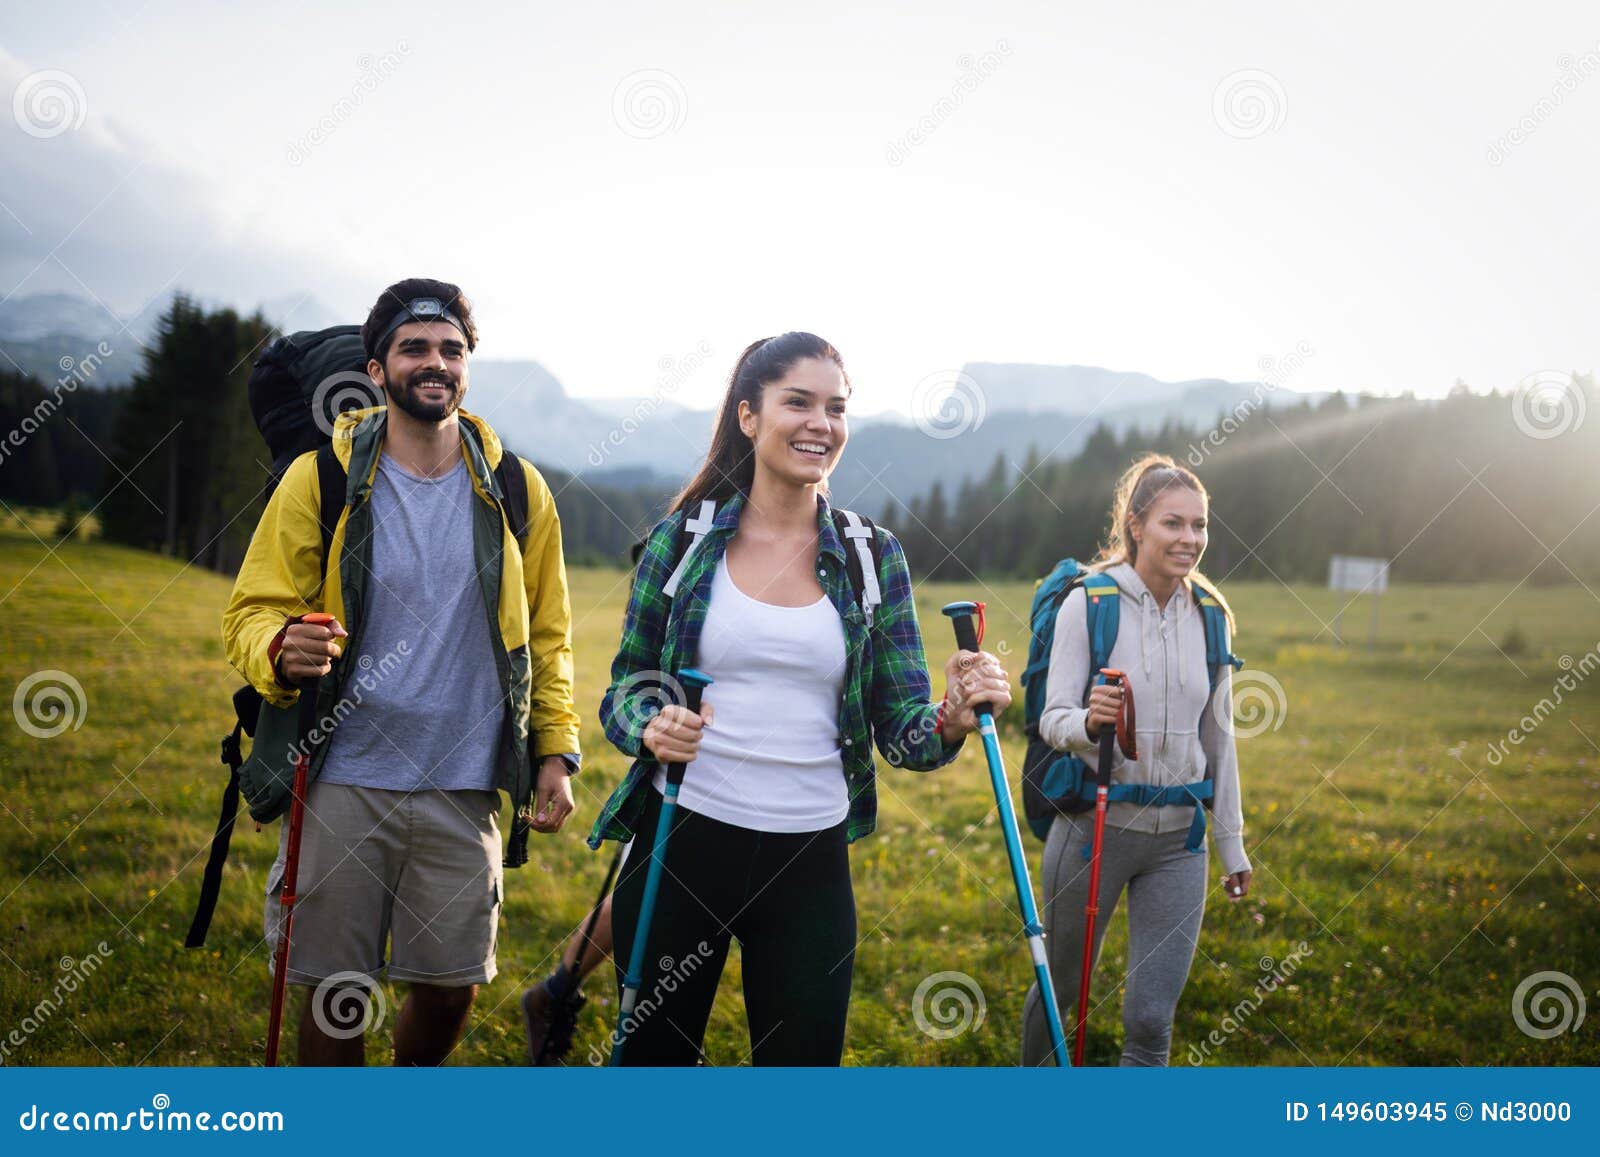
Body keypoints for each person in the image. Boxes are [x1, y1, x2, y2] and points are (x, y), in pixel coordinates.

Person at [587, 331, 1012, 1066]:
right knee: (652, 1062)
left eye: (836, 407)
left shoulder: (870, 555)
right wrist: (651, 723)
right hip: (683, 837)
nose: (821, 422)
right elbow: (625, 687)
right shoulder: (682, 541)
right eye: (799, 402)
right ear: (749, 417)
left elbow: (905, 731)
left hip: (809, 859)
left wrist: (950, 716)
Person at [223, 277, 582, 1065]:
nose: (435, 362)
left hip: (464, 778)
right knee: (335, 988)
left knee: (453, 983)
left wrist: (554, 749)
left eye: (451, 349)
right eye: (414, 348)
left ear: (467, 366)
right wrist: (280, 646)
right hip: (342, 776)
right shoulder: (320, 478)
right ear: (377, 369)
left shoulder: (517, 489)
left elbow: (548, 638)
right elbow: (250, 610)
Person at [1021, 453, 1252, 1066]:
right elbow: (1052, 718)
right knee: (1060, 992)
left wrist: (1231, 842)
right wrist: (1090, 721)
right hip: (1092, 830)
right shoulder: (1089, 603)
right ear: (1136, 524)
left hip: (1182, 842)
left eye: (1200, 525)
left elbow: (1219, 738)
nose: (1190, 539)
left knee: (1151, 1019)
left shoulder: (1212, 616)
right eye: (1174, 524)